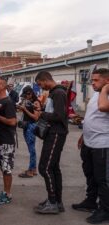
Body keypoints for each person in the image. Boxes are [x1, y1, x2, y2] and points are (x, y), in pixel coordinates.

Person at [72, 68, 109, 224]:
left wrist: (106, 89)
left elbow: (103, 108)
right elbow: (92, 116)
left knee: (103, 179)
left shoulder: (104, 95)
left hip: (103, 144)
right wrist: (83, 135)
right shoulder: (96, 94)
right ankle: (90, 201)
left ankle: (105, 210)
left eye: (96, 80)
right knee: (90, 174)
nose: (92, 83)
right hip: (89, 142)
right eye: (92, 80)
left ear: (106, 81)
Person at [34, 71, 68, 214]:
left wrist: (42, 114)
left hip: (56, 134)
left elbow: (59, 116)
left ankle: (53, 202)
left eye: (40, 84)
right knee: (53, 168)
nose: (41, 87)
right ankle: (56, 201)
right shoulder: (54, 92)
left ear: (45, 80)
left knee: (45, 167)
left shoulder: (58, 93)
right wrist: (42, 110)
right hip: (53, 133)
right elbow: (54, 112)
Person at [0, 77, 17, 204]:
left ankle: (7, 194)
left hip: (6, 141)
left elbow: (13, 121)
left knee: (6, 169)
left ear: (2, 86)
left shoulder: (8, 102)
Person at [17, 86, 42, 178]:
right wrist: (21, 106)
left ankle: (31, 170)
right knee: (30, 148)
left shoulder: (36, 102)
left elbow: (36, 117)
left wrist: (25, 110)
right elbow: (21, 110)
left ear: (30, 94)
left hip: (31, 126)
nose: (25, 97)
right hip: (26, 126)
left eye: (26, 95)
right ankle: (33, 169)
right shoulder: (27, 101)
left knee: (32, 149)